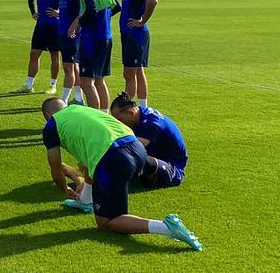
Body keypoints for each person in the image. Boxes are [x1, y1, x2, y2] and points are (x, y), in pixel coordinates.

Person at [39, 97, 201, 250]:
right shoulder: (82, 109)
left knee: (106, 223)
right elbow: (89, 159)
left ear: (47, 115)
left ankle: (166, 227)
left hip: (114, 158)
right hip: (137, 148)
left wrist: (64, 189)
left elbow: (55, 165)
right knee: (94, 161)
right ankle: (87, 201)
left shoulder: (52, 125)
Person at [63, 0, 120, 111]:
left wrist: (78, 25)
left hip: (91, 39)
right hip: (106, 36)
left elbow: (91, 12)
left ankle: (96, 119)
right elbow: (117, 7)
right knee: (99, 80)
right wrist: (102, 21)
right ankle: (105, 116)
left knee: (86, 82)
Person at [110, 92, 187, 189]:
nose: (119, 124)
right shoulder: (141, 113)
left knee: (128, 154)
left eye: (120, 120)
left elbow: (132, 148)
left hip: (173, 169)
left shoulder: (151, 124)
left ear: (131, 113)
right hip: (158, 158)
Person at [114, 0, 158, 107]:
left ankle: (127, 108)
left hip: (136, 33)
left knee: (129, 73)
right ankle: (142, 107)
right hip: (128, 32)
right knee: (137, 71)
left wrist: (142, 21)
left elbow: (152, 0)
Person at [19, 0, 61, 94]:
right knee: (34, 54)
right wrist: (33, 13)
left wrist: (59, 12)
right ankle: (28, 84)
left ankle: (53, 85)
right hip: (41, 25)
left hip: (55, 25)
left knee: (55, 55)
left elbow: (67, 0)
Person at [55, 0, 85, 105]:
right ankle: (78, 97)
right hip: (62, 33)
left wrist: (74, 29)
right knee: (72, 66)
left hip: (72, 34)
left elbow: (78, 14)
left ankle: (64, 100)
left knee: (69, 67)